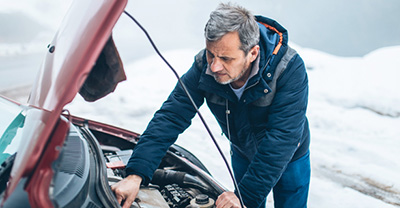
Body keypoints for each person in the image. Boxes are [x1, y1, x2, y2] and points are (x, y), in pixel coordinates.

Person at [111, 2, 310, 208]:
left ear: (252, 53)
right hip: (243, 151)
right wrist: (136, 174)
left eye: (225, 58)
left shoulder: (288, 69)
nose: (214, 67)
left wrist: (245, 195)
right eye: (210, 54)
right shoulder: (203, 66)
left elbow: (282, 138)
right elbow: (171, 116)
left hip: (290, 155)